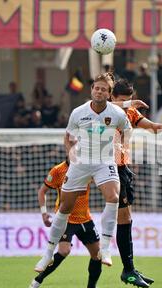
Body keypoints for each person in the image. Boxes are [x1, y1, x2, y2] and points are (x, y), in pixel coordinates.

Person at [35, 73, 131, 272]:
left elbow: (127, 130)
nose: (99, 91)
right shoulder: (78, 113)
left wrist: (122, 148)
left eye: (104, 89)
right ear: (92, 89)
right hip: (81, 162)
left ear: (109, 93)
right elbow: (68, 137)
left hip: (104, 161)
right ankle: (47, 253)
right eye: (97, 87)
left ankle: (105, 247)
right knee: (64, 208)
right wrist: (71, 154)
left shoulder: (117, 114)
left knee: (113, 197)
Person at [110, 78, 162, 288]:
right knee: (123, 218)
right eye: (123, 100)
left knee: (126, 218)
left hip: (124, 167)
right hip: (109, 168)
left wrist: (158, 126)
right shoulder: (106, 110)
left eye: (129, 99)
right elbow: (105, 106)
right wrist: (128, 104)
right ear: (113, 97)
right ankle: (127, 269)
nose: (127, 103)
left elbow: (143, 123)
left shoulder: (129, 110)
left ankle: (129, 267)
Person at [28, 157, 108, 288]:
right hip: (66, 219)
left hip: (85, 219)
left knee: (97, 255)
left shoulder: (87, 166)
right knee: (64, 251)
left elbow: (101, 179)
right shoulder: (58, 170)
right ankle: (37, 281)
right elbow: (42, 191)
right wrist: (44, 213)